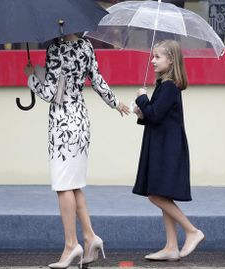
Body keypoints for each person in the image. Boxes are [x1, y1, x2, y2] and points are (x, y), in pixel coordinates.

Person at [24, 33, 129, 268]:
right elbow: (96, 80)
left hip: (63, 124)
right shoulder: (86, 45)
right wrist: (116, 103)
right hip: (81, 119)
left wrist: (31, 78)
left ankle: (71, 245)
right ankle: (90, 237)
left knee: (63, 186)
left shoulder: (55, 49)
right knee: (74, 184)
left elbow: (52, 94)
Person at [132, 40, 205, 261]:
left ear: (171, 60)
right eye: (152, 57)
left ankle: (192, 231)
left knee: (155, 195)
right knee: (161, 194)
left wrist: (142, 98)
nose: (152, 61)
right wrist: (142, 111)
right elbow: (156, 115)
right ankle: (171, 246)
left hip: (168, 149)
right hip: (162, 145)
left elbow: (155, 114)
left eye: (157, 57)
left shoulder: (170, 87)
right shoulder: (165, 86)